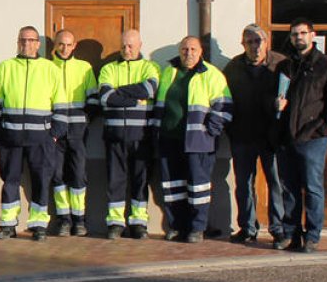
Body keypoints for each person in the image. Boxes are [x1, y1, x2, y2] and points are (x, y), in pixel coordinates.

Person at [0, 26, 65, 241]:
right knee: (9, 180)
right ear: (17, 42)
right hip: (10, 137)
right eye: (23, 40)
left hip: (41, 138)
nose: (26, 44)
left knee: (41, 180)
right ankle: (8, 224)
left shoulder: (50, 69)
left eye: (31, 40)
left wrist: (55, 134)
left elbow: (61, 104)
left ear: (38, 44)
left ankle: (39, 225)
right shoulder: (6, 67)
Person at [152, 36, 232, 243]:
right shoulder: (169, 72)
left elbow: (224, 106)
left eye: (193, 49)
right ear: (180, 51)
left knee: (198, 187)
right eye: (185, 49)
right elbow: (159, 105)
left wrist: (210, 130)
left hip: (198, 141)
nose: (189, 53)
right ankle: (177, 226)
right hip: (169, 139)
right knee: (172, 188)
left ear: (201, 52)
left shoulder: (211, 75)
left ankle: (197, 228)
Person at [275, 18, 327, 252]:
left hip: (312, 138)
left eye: (303, 33)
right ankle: (291, 234)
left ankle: (313, 236)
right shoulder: (285, 66)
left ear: (312, 35)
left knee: (313, 188)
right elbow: (274, 97)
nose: (298, 38)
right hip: (287, 137)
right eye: (294, 34)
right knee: (289, 188)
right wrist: (275, 105)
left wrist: (321, 130)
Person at [223, 24, 286, 245]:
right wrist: (229, 129)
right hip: (242, 135)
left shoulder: (280, 64)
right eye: (250, 42)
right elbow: (224, 100)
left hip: (273, 137)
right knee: (244, 184)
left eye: (259, 41)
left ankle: (279, 228)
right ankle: (247, 228)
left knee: (276, 182)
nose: (255, 46)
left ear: (267, 42)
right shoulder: (233, 67)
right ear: (243, 44)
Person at [97, 30, 160, 240]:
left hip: (141, 136)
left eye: (131, 46)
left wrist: (119, 93)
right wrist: (134, 99)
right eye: (123, 45)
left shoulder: (149, 67)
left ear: (140, 45)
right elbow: (105, 97)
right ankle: (115, 223)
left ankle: (138, 222)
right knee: (115, 180)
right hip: (114, 135)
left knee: (140, 181)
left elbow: (149, 90)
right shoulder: (108, 69)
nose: (127, 50)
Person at [49, 29, 99, 237]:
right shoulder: (48, 67)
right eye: (61, 44)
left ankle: (79, 219)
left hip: (78, 131)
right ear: (55, 44)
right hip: (54, 133)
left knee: (78, 176)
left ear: (75, 45)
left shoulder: (84, 68)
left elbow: (94, 99)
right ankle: (64, 219)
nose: (65, 48)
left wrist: (86, 119)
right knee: (57, 175)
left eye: (69, 45)